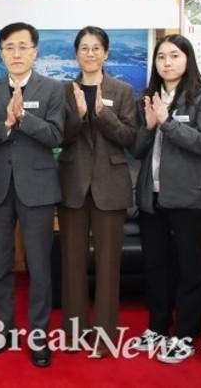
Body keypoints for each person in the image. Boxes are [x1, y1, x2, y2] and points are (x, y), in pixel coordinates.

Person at [0, 22, 64, 367]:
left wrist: (24, 117)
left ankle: (39, 337)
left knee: (39, 267)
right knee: (0, 265)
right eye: (9, 47)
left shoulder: (53, 89)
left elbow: (56, 135)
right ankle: (4, 331)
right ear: (1, 53)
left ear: (35, 52)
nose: (16, 53)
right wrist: (7, 125)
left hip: (38, 190)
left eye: (23, 47)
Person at [131, 34, 201, 363]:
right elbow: (137, 150)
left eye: (174, 56)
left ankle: (185, 335)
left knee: (189, 268)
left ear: (187, 59)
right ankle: (157, 327)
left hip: (188, 198)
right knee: (156, 266)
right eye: (161, 57)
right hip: (152, 197)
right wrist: (149, 126)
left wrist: (167, 122)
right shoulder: (150, 97)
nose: (167, 62)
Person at [57, 26, 136, 356]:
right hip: (72, 184)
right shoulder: (64, 90)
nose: (90, 54)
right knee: (72, 262)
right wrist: (78, 116)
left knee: (108, 263)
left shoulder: (122, 90)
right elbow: (60, 137)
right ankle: (74, 333)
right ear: (76, 54)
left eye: (96, 48)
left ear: (106, 53)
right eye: (84, 48)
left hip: (110, 184)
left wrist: (102, 114)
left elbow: (129, 137)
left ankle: (104, 335)